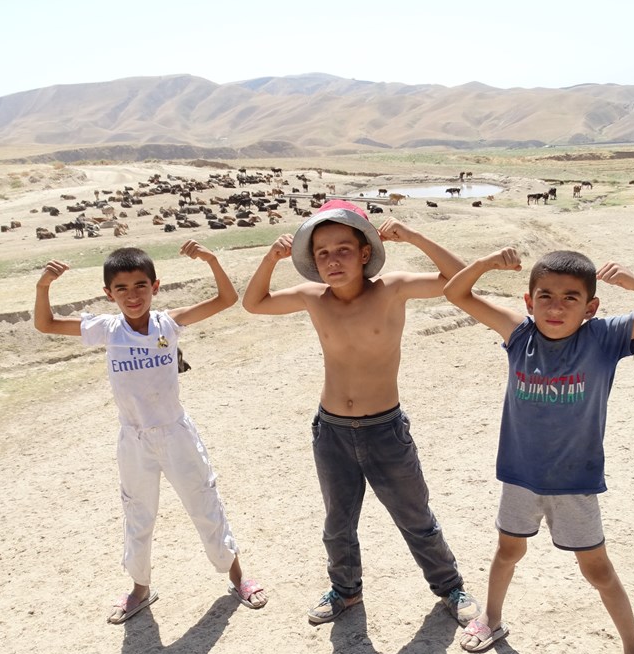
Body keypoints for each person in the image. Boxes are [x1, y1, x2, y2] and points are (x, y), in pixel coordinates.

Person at [443, 247, 634, 654]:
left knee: (597, 571)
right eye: (545, 297)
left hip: (575, 483)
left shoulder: (604, 337)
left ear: (591, 307)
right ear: (529, 300)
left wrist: (633, 282)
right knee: (506, 552)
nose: (556, 308)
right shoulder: (518, 333)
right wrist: (486, 263)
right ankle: (492, 620)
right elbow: (455, 291)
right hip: (519, 476)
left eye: (571, 298)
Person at [242, 200, 479, 627]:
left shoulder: (392, 289)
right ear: (313, 262)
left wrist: (413, 236)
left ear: (365, 251)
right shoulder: (312, 297)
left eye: (343, 249)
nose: (333, 260)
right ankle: (346, 591)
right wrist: (269, 258)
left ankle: (450, 588)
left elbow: (460, 278)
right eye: (322, 253)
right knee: (338, 523)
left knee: (415, 517)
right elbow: (254, 304)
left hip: (384, 429)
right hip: (330, 430)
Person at [34, 240, 268, 624]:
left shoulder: (168, 323)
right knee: (138, 514)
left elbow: (226, 299)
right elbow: (45, 324)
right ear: (108, 294)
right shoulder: (107, 330)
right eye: (121, 289)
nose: (132, 295)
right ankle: (140, 588)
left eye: (141, 285)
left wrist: (211, 258)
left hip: (176, 434)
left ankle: (238, 576)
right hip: (134, 440)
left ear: (155, 287)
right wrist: (44, 287)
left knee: (203, 503)